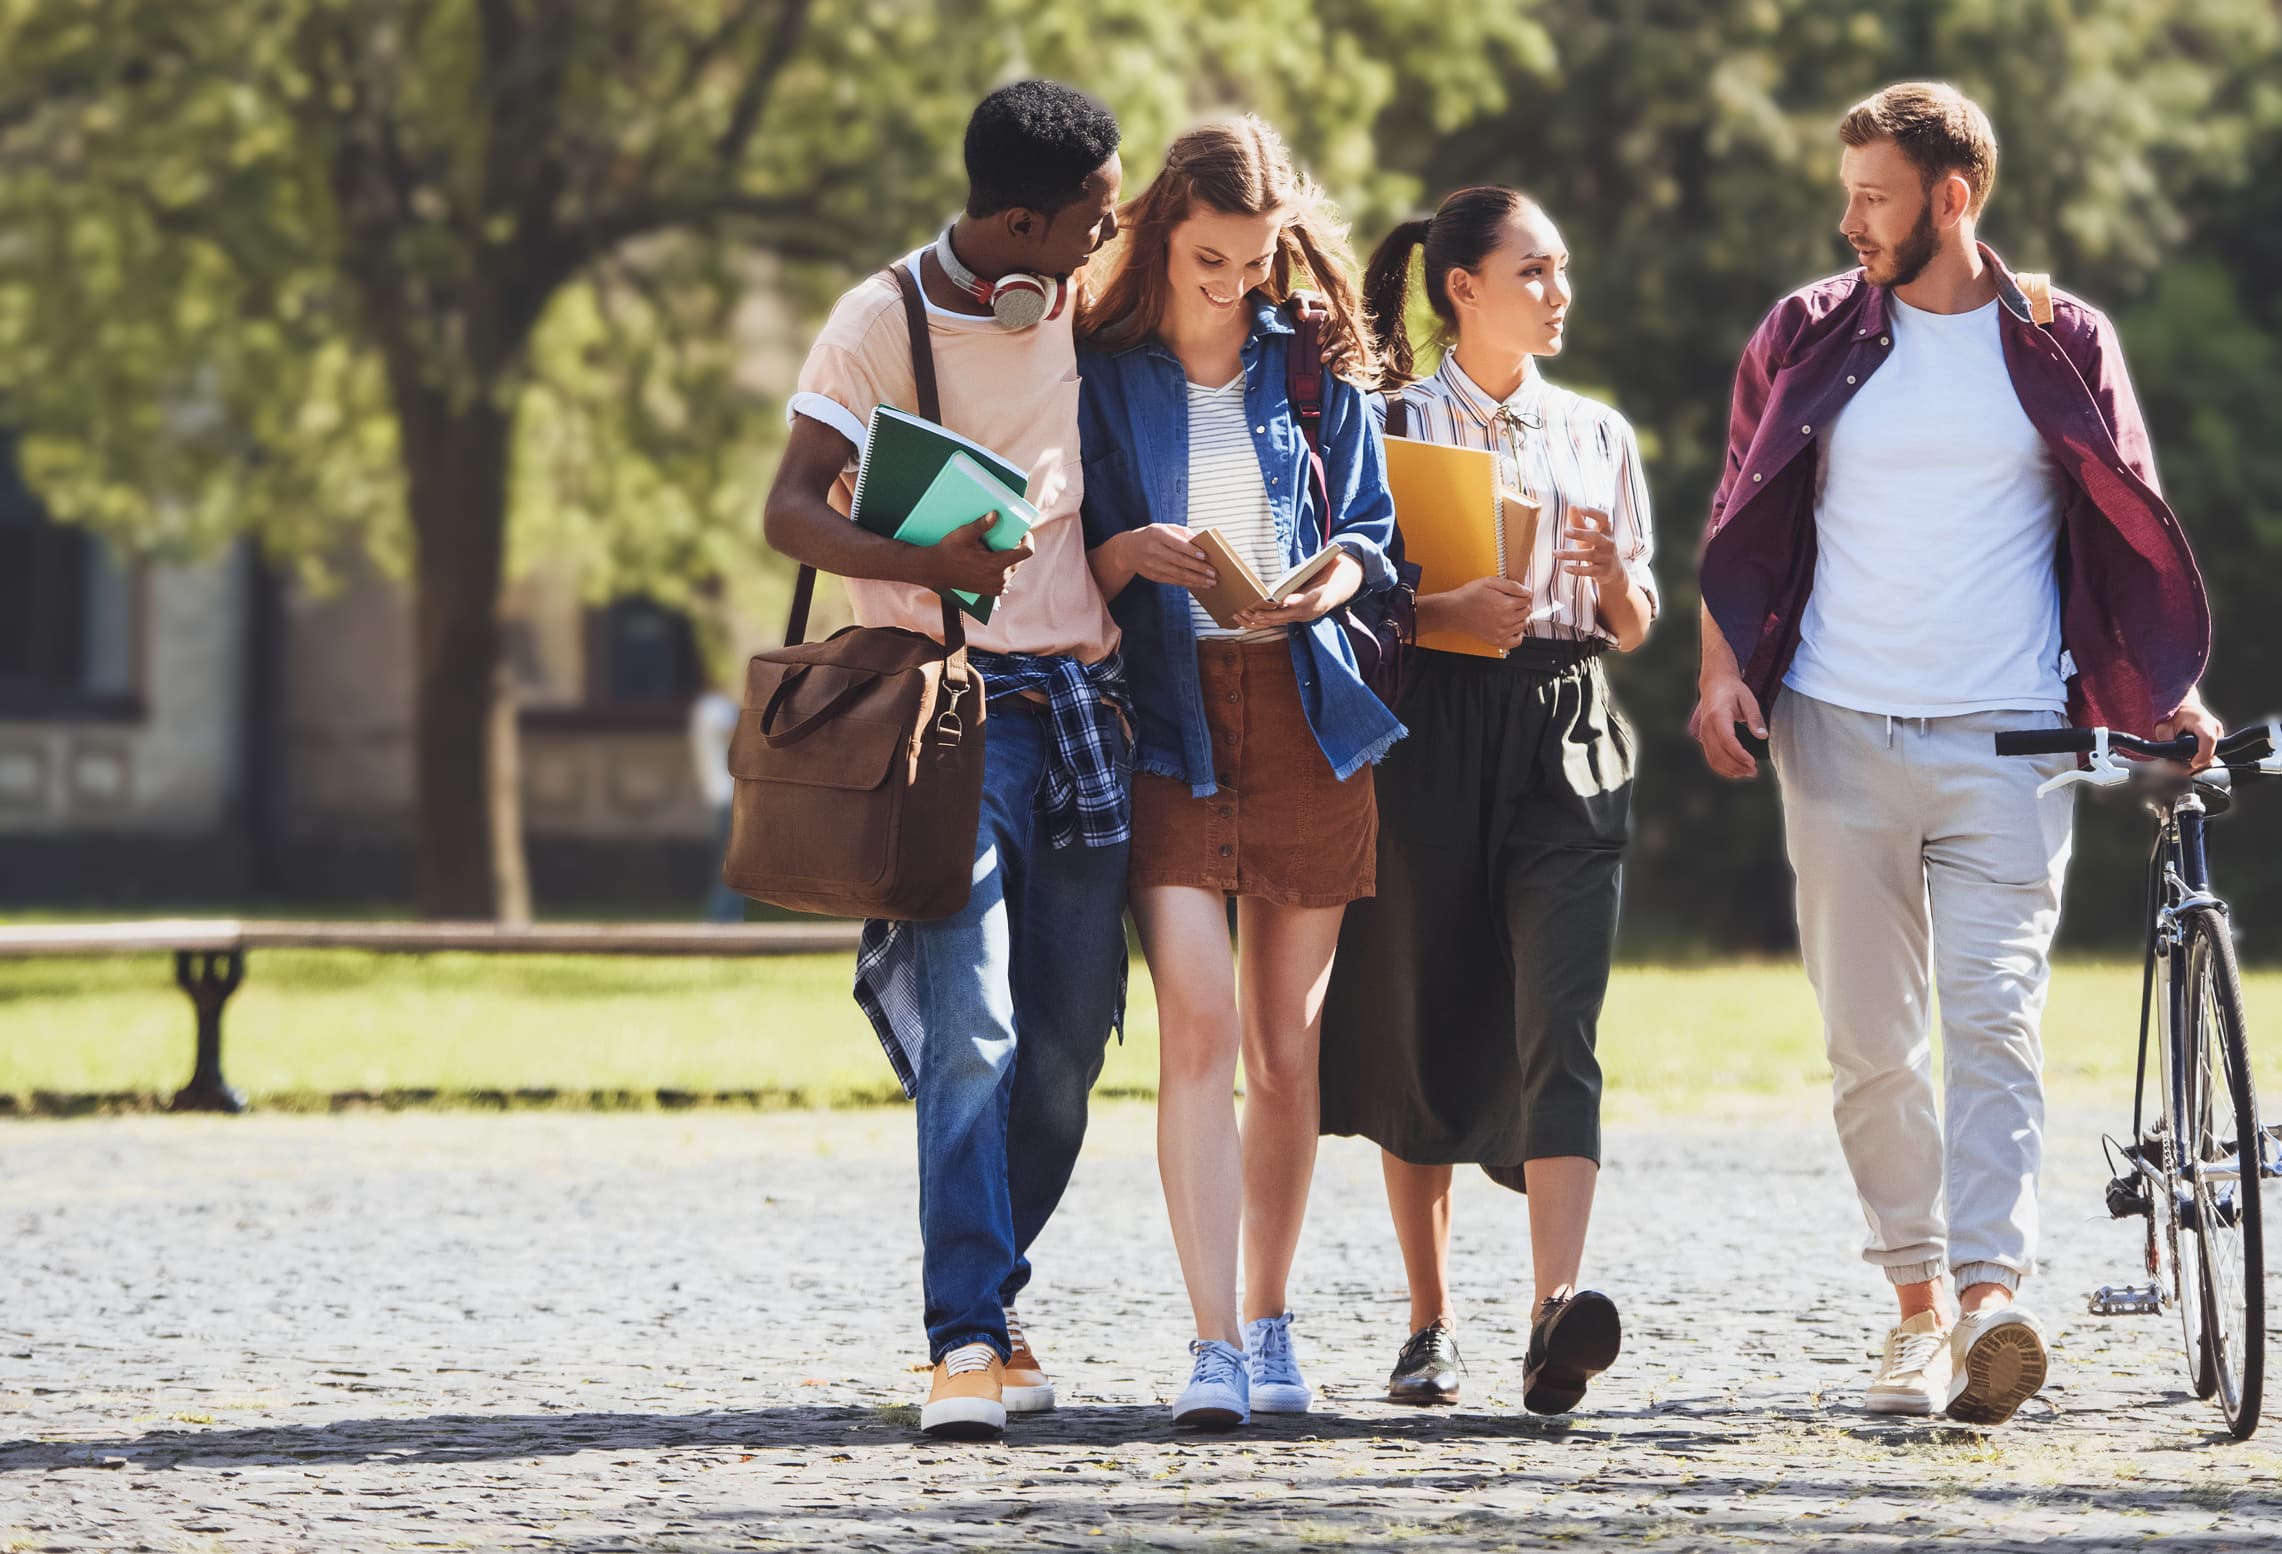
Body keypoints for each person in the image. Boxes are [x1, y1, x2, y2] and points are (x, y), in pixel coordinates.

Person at [1692, 82, 2217, 1424]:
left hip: (2008, 740)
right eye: (1847, 191)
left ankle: (1991, 1299)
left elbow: (2127, 519)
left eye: (1873, 195)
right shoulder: (1805, 332)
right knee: (1870, 1043)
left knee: (1994, 1016)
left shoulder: (2058, 340)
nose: (1847, 217)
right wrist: (1717, 677)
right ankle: (1914, 1312)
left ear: (1952, 196)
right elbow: (1740, 510)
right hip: (1833, 726)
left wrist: (2166, 689)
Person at [761, 80, 1129, 1441]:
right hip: (945, 717)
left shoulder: (1093, 299)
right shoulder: (878, 321)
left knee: (1065, 1052)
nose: (1107, 236)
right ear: (1021, 220)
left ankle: (992, 1284)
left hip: (1082, 710)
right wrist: (927, 562)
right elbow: (790, 510)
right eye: (1092, 217)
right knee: (968, 1028)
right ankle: (963, 1336)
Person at [1076, 116, 1404, 1429]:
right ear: (1162, 232)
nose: (1234, 285)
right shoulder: (1099, 367)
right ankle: (1209, 1343)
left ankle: (1271, 1321)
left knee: (1284, 1042)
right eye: (1210, 260)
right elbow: (1055, 549)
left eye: (1256, 260)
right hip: (1165, 720)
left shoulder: (1313, 359)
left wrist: (1337, 573)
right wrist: (1120, 556)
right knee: (1199, 1024)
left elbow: (1373, 533)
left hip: (1308, 708)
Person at [1319, 186, 1657, 1416]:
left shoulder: (1597, 434)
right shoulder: (1385, 423)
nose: (1559, 293)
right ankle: (1427, 1322)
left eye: (1561, 271)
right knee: (1424, 1003)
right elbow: (1350, 596)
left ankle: (1552, 1312)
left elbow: (1634, 625)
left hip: (1567, 721)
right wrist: (1442, 613)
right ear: (1462, 286)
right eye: (1535, 272)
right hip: (1426, 729)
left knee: (1558, 1016)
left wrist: (1617, 576)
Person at [689, 685, 742, 922]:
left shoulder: (705, 708)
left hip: (721, 795)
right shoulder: (715, 709)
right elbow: (740, 735)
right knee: (733, 863)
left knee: (730, 861)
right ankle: (721, 918)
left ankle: (725, 916)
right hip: (728, 795)